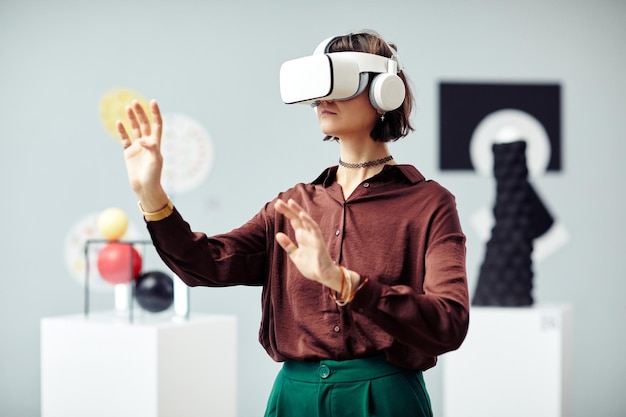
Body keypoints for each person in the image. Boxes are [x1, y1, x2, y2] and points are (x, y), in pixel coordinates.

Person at [117, 30, 469, 417]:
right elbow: (205, 264)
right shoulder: (293, 206)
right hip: (293, 400)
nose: (322, 98)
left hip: (385, 400)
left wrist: (345, 283)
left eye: (339, 80)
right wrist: (151, 195)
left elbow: (448, 323)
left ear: (385, 92)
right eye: (318, 85)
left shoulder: (429, 203)